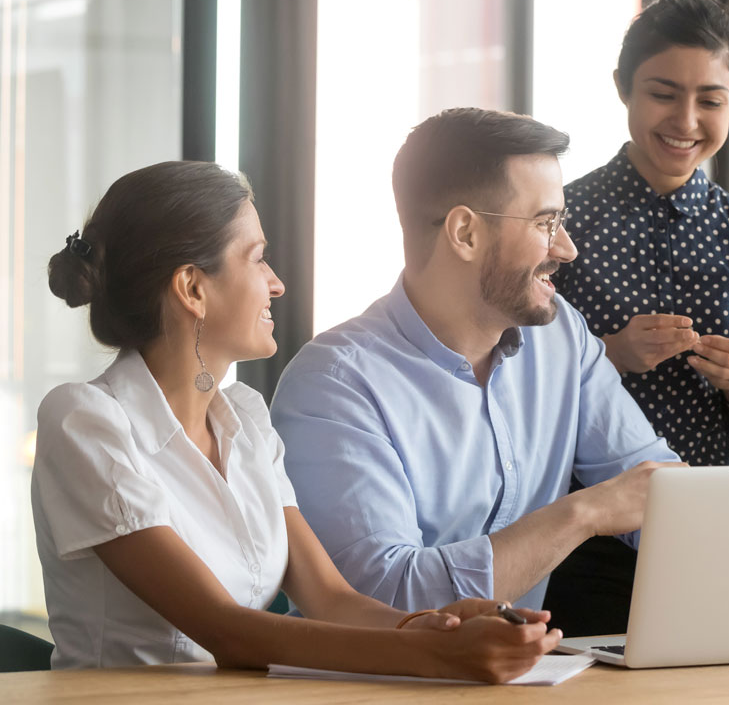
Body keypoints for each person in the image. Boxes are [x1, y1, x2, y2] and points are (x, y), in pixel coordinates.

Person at [34, 161, 560, 681]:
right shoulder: (85, 421)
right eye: (258, 260)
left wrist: (435, 625)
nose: (277, 283)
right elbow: (228, 633)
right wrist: (443, 657)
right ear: (193, 288)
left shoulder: (245, 417)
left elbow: (331, 599)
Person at [269, 108, 685, 619]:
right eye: (545, 222)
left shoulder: (562, 338)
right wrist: (583, 514)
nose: (568, 249)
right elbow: (385, 601)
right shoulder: (333, 385)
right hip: (372, 691)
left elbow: (660, 495)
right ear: (464, 232)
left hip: (516, 680)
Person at [543, 0, 729, 635]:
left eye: (710, 100)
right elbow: (504, 376)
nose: (686, 120)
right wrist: (608, 354)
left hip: (707, 527)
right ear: (624, 90)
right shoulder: (559, 221)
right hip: (576, 529)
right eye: (663, 93)